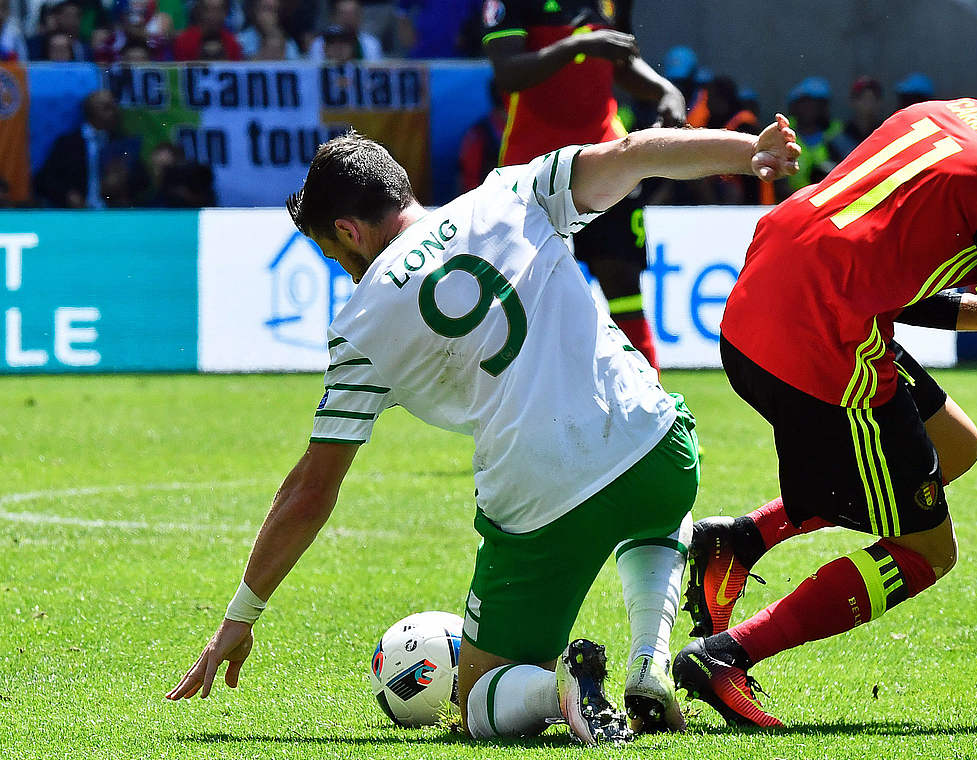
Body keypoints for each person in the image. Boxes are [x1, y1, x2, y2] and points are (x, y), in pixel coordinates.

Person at [165, 121, 802, 742]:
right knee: (658, 494)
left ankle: (564, 689)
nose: (345, 273)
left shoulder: (361, 325)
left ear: (348, 231)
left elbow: (312, 489)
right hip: (655, 446)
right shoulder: (510, 193)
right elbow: (634, 154)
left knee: (476, 701)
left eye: (336, 257)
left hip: (541, 494)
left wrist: (241, 615)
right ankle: (648, 660)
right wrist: (750, 151)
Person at [671, 48, 977, 727]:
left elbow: (887, 275)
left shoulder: (962, 115)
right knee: (927, 549)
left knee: (952, 448)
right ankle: (727, 655)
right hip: (820, 340)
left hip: (763, 297)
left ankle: (740, 540)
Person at [482, 0, 685, 372]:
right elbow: (508, 73)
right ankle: (534, 406)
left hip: (606, 158)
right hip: (532, 170)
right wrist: (580, 46)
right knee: (530, 296)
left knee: (623, 283)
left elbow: (618, 61)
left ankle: (651, 400)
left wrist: (665, 91)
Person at [33, 89, 148, 208]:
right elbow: (43, 180)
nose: (114, 112)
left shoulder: (122, 142)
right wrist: (67, 195)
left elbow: (144, 181)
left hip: (114, 213)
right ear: (90, 112)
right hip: (78, 216)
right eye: (107, 108)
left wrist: (125, 180)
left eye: (115, 107)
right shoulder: (68, 144)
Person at [307, 0, 380, 61]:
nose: (348, 18)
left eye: (353, 14)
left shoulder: (371, 43)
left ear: (360, 16)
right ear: (333, 17)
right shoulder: (319, 43)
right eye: (344, 14)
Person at [172, 0, 243, 61]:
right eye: (209, 10)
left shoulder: (232, 43)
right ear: (200, 11)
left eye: (219, 10)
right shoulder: (184, 41)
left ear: (226, 13)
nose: (214, 15)